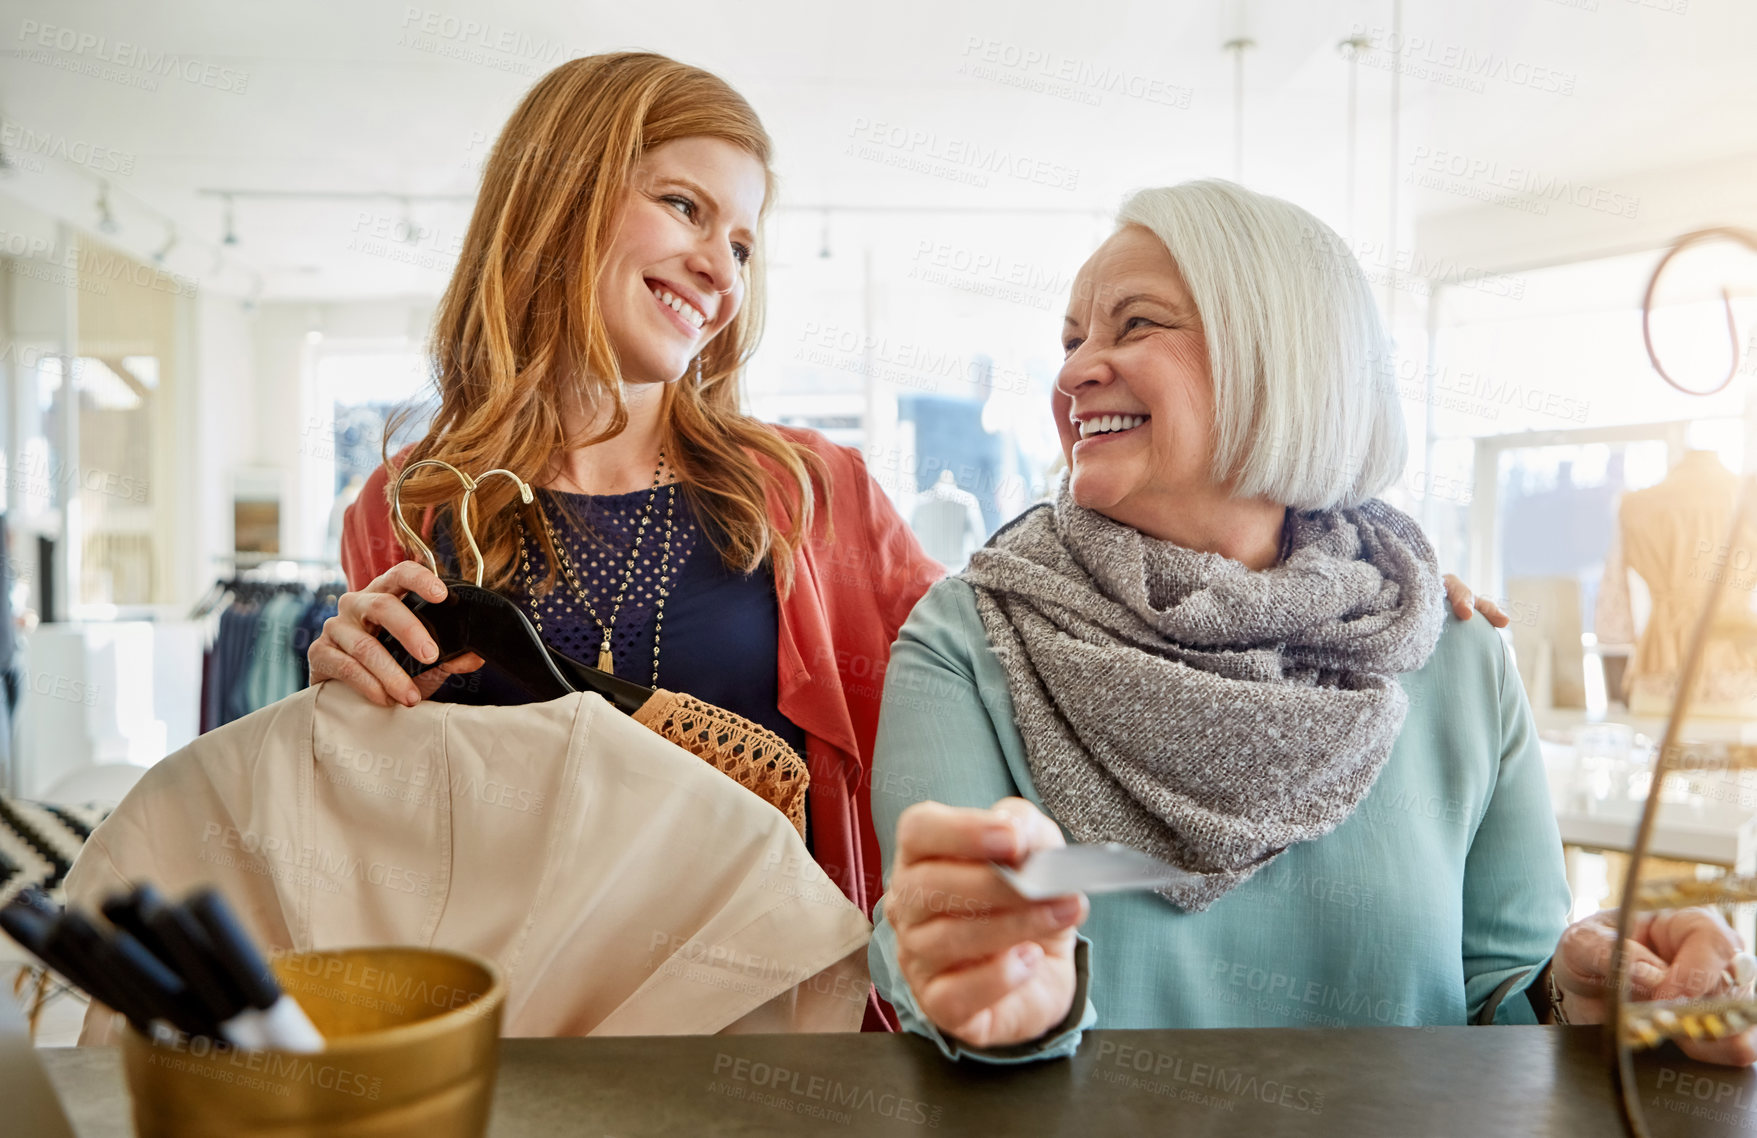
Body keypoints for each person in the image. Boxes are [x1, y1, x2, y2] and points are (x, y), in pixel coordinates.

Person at [867, 179, 1756, 1067]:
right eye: (1071, 340)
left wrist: (1586, 989)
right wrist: (998, 992)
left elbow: (1504, 999)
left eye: (1133, 325)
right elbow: (928, 954)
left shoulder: (1451, 653)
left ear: (1282, 357)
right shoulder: (967, 641)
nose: (1069, 373)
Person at [304, 56, 942, 1030]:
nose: (718, 269)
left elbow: (990, 677)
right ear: (560, 197)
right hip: (519, 1041)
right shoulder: (411, 506)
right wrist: (337, 707)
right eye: (684, 207)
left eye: (739, 243)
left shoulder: (811, 496)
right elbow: (388, 834)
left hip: (770, 1046)